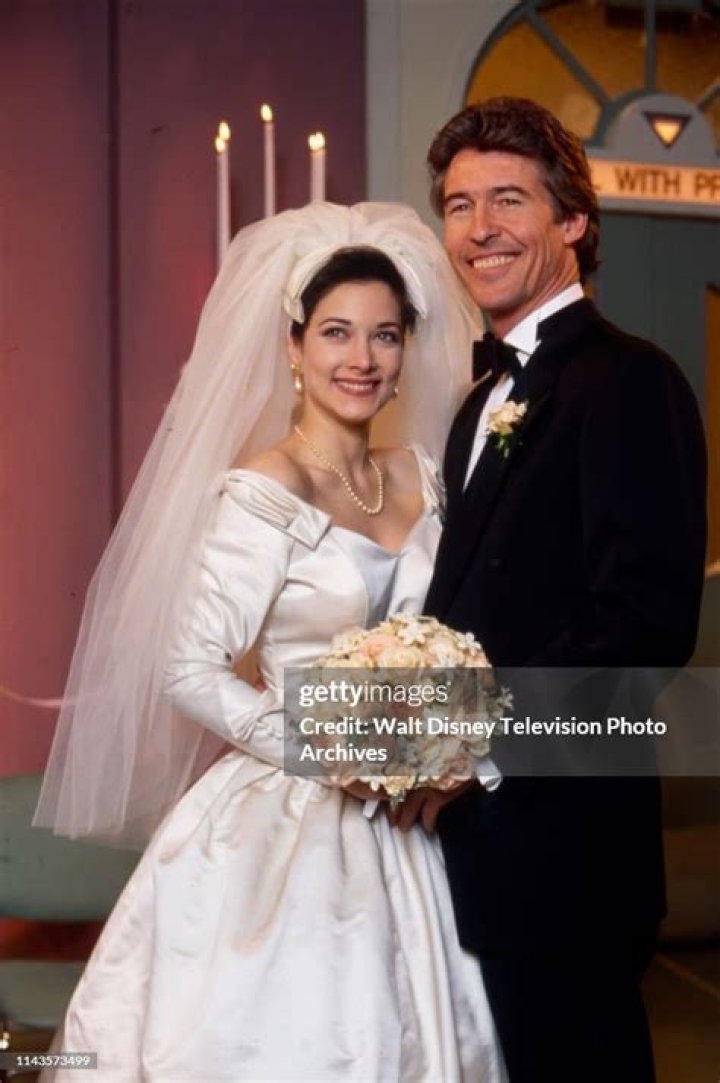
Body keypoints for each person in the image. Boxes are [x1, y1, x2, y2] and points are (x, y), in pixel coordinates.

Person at [35, 202, 508, 1081]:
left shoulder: (424, 475)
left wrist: (445, 739)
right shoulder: (262, 492)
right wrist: (331, 748)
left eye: (384, 335)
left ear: (407, 350)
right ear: (294, 346)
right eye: (335, 332)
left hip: (420, 818)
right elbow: (188, 668)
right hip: (291, 816)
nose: (361, 358)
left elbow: (459, 633)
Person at [398, 98, 707, 1082]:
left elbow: (643, 627)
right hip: (475, 849)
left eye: (508, 200)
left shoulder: (631, 381)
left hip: (569, 852)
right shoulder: (475, 406)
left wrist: (473, 750)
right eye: (458, 205)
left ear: (572, 219)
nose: (479, 228)